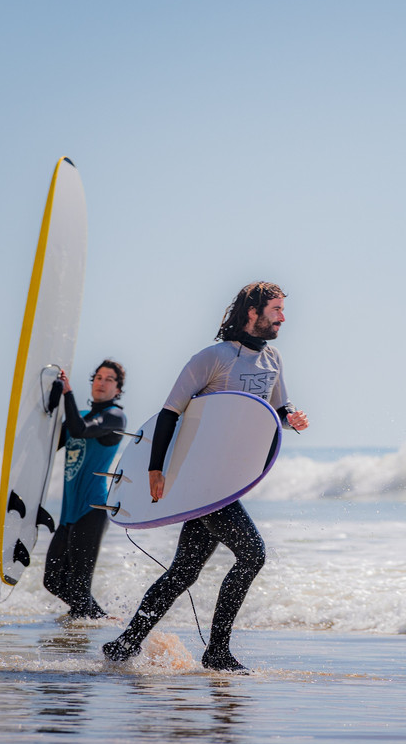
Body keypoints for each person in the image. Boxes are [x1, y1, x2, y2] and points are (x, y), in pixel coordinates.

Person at [103, 281, 309, 672]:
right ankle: (216, 651)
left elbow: (276, 411)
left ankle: (126, 644)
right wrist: (155, 469)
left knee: (184, 571)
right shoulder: (212, 358)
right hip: (198, 481)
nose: (283, 316)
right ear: (254, 313)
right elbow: (170, 412)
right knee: (252, 555)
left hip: (225, 483)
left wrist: (292, 419)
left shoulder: (274, 360)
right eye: (277, 309)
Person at [43, 359, 128, 619]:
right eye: (98, 377)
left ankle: (89, 629)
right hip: (69, 513)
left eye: (109, 379)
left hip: (92, 510)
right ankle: (97, 620)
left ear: (118, 389)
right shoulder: (77, 417)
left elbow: (80, 431)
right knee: (52, 580)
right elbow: (44, 446)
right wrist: (53, 399)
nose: (102, 382)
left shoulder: (114, 417)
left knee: (79, 590)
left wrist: (67, 392)